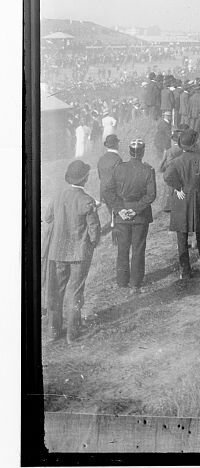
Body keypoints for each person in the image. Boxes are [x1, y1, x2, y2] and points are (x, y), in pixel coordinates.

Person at [43, 159, 101, 344]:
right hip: (78, 253)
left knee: (55, 292)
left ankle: (53, 332)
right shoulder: (87, 200)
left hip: (57, 251)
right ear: (84, 179)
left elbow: (48, 217)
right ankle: (72, 333)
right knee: (75, 291)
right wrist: (92, 244)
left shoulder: (58, 195)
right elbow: (94, 230)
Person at [164, 128, 200, 280]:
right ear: (194, 143)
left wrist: (178, 187)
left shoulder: (176, 161)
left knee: (182, 237)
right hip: (199, 201)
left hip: (181, 201)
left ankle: (185, 271)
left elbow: (167, 176)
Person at [107, 138, 157, 293]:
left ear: (129, 152)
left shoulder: (118, 168)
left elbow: (108, 191)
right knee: (138, 248)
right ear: (142, 152)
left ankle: (122, 281)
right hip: (140, 216)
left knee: (122, 249)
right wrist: (135, 210)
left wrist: (120, 209)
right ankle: (135, 282)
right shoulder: (148, 170)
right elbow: (151, 195)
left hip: (122, 215)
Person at [96, 133, 122, 235]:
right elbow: (119, 177)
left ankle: (110, 227)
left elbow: (99, 176)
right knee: (116, 213)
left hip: (103, 189)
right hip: (114, 190)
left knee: (111, 211)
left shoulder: (101, 158)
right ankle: (114, 234)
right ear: (116, 144)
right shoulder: (117, 159)